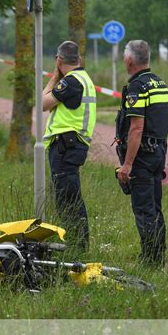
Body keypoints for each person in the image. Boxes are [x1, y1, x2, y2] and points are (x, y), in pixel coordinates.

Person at [115, 40, 168, 268]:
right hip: (158, 151)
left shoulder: (138, 87)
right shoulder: (159, 83)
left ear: (129, 61)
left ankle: (150, 261)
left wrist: (127, 164)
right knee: (155, 208)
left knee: (144, 210)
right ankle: (158, 257)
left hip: (142, 156)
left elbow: (136, 128)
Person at [42, 41, 97, 251]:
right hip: (72, 145)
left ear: (59, 60)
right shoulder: (84, 78)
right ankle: (76, 244)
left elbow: (43, 103)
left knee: (68, 198)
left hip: (66, 145)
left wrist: (54, 78)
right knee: (68, 195)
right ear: (79, 59)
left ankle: (78, 246)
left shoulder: (71, 81)